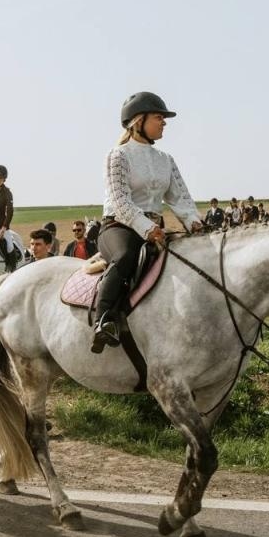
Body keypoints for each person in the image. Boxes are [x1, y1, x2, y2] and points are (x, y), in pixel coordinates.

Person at [92, 91, 202, 352]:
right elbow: (120, 202)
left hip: (154, 229)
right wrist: (147, 228)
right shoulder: (117, 155)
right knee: (126, 255)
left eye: (164, 118)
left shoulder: (166, 160)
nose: (164, 122)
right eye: (158, 117)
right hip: (119, 227)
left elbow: (181, 199)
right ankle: (103, 319)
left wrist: (195, 223)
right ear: (138, 121)